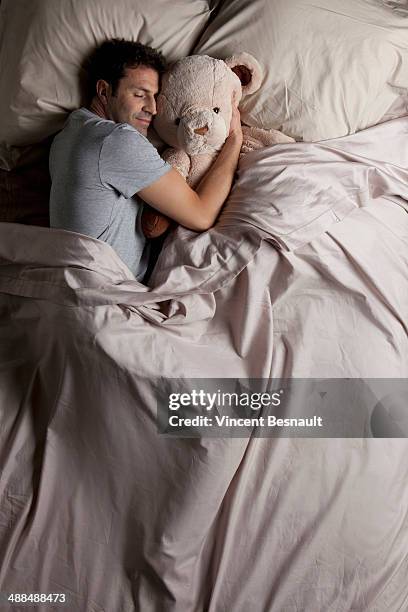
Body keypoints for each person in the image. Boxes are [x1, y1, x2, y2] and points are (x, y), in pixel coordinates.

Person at [49, 39, 243, 281]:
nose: (152, 108)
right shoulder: (116, 140)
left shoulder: (65, 137)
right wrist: (235, 139)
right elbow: (201, 215)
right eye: (139, 95)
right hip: (111, 296)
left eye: (155, 97)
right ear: (104, 90)